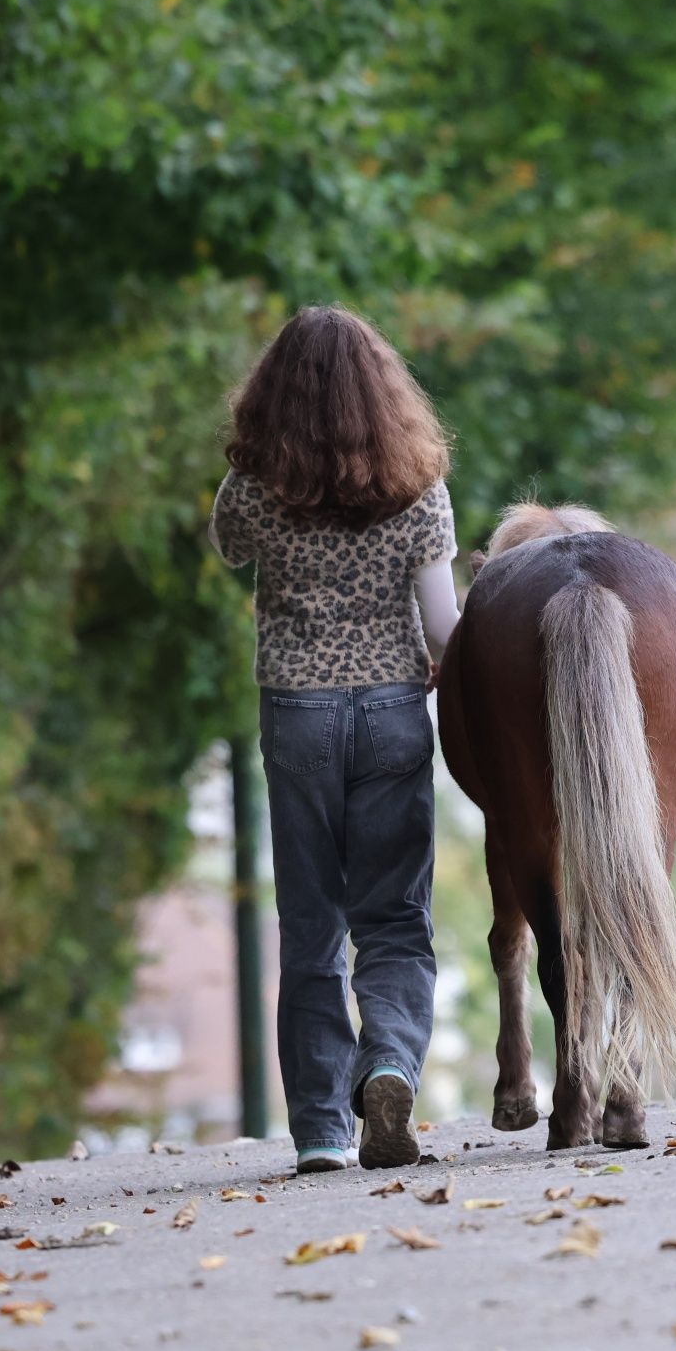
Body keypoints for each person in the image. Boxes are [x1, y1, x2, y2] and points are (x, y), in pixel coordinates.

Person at [209, 305, 462, 1172]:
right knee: (394, 919)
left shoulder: (257, 488)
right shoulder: (418, 486)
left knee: (310, 924)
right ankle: (388, 1061)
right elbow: (443, 628)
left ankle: (321, 1128)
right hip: (392, 711)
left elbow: (223, 546)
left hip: (298, 717)